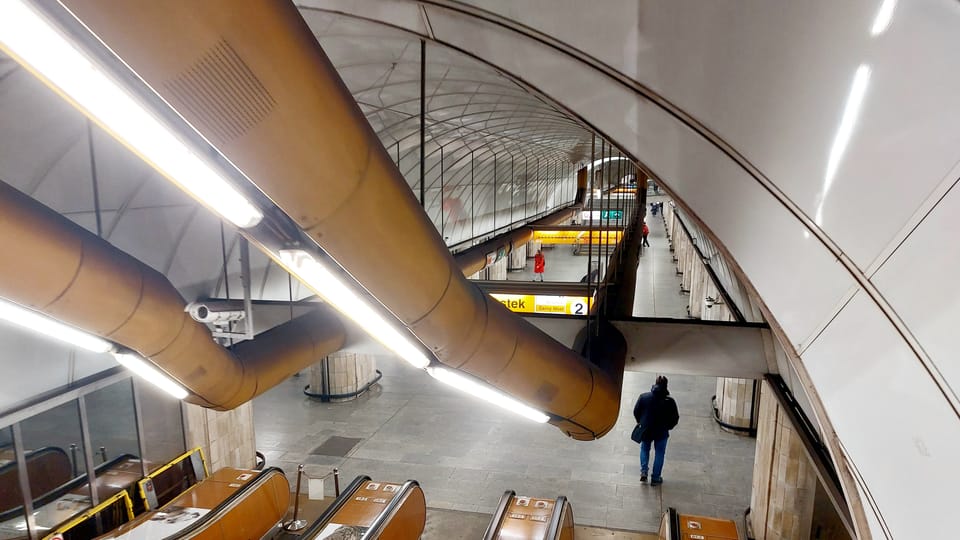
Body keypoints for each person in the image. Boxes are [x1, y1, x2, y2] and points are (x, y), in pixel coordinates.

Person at [632, 375, 679, 485]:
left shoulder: (644, 397)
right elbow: (675, 418)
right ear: (666, 386)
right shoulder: (670, 401)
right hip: (661, 432)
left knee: (644, 449)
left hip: (646, 430)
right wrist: (669, 427)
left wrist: (641, 422)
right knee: (660, 453)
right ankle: (656, 477)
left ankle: (644, 472)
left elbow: (636, 411)